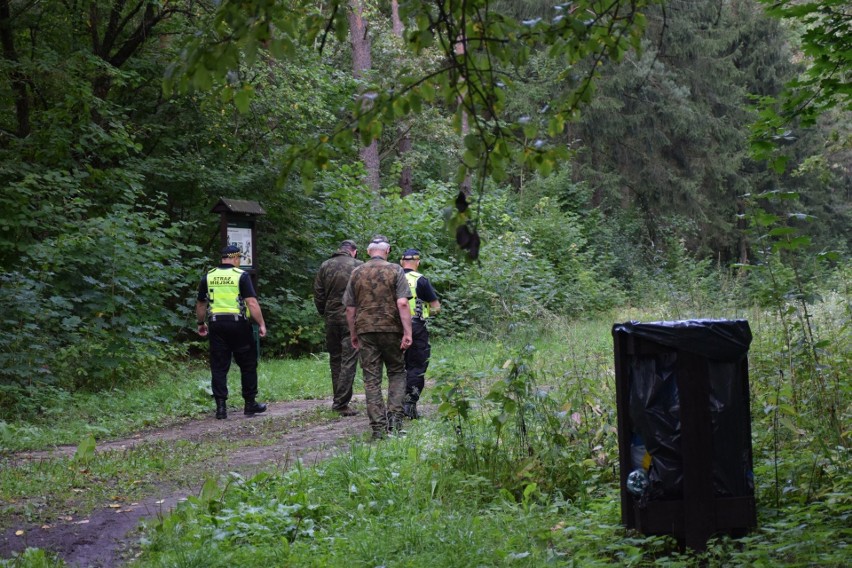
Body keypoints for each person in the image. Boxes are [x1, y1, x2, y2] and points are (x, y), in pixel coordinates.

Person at [343, 235, 413, 438]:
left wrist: (353, 333)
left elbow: (349, 308)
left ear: (367, 251)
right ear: (388, 250)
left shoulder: (356, 272)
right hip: (392, 329)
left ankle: (378, 429)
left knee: (371, 379)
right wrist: (408, 332)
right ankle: (395, 422)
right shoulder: (396, 270)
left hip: (366, 330)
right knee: (397, 372)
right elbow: (402, 303)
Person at [196, 245, 268, 419]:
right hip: (238, 325)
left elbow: (200, 304)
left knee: (219, 366)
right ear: (235, 258)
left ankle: (221, 408)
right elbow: (251, 302)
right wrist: (261, 323)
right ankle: (250, 404)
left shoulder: (209, 276)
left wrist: (200, 323)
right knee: (248, 364)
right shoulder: (240, 276)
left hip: (216, 325)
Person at [313, 239, 363, 416]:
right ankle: (341, 402)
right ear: (353, 251)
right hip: (352, 318)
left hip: (331, 318)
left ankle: (339, 398)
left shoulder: (325, 265)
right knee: (349, 360)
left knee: (335, 359)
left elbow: (318, 292)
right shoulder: (358, 265)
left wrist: (324, 312)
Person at [400, 248, 441, 419]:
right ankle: (409, 405)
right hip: (416, 327)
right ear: (418, 262)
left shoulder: (391, 276)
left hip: (392, 328)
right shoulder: (421, 280)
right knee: (416, 366)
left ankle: (394, 406)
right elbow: (436, 308)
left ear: (401, 262)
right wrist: (425, 312)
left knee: (396, 368)